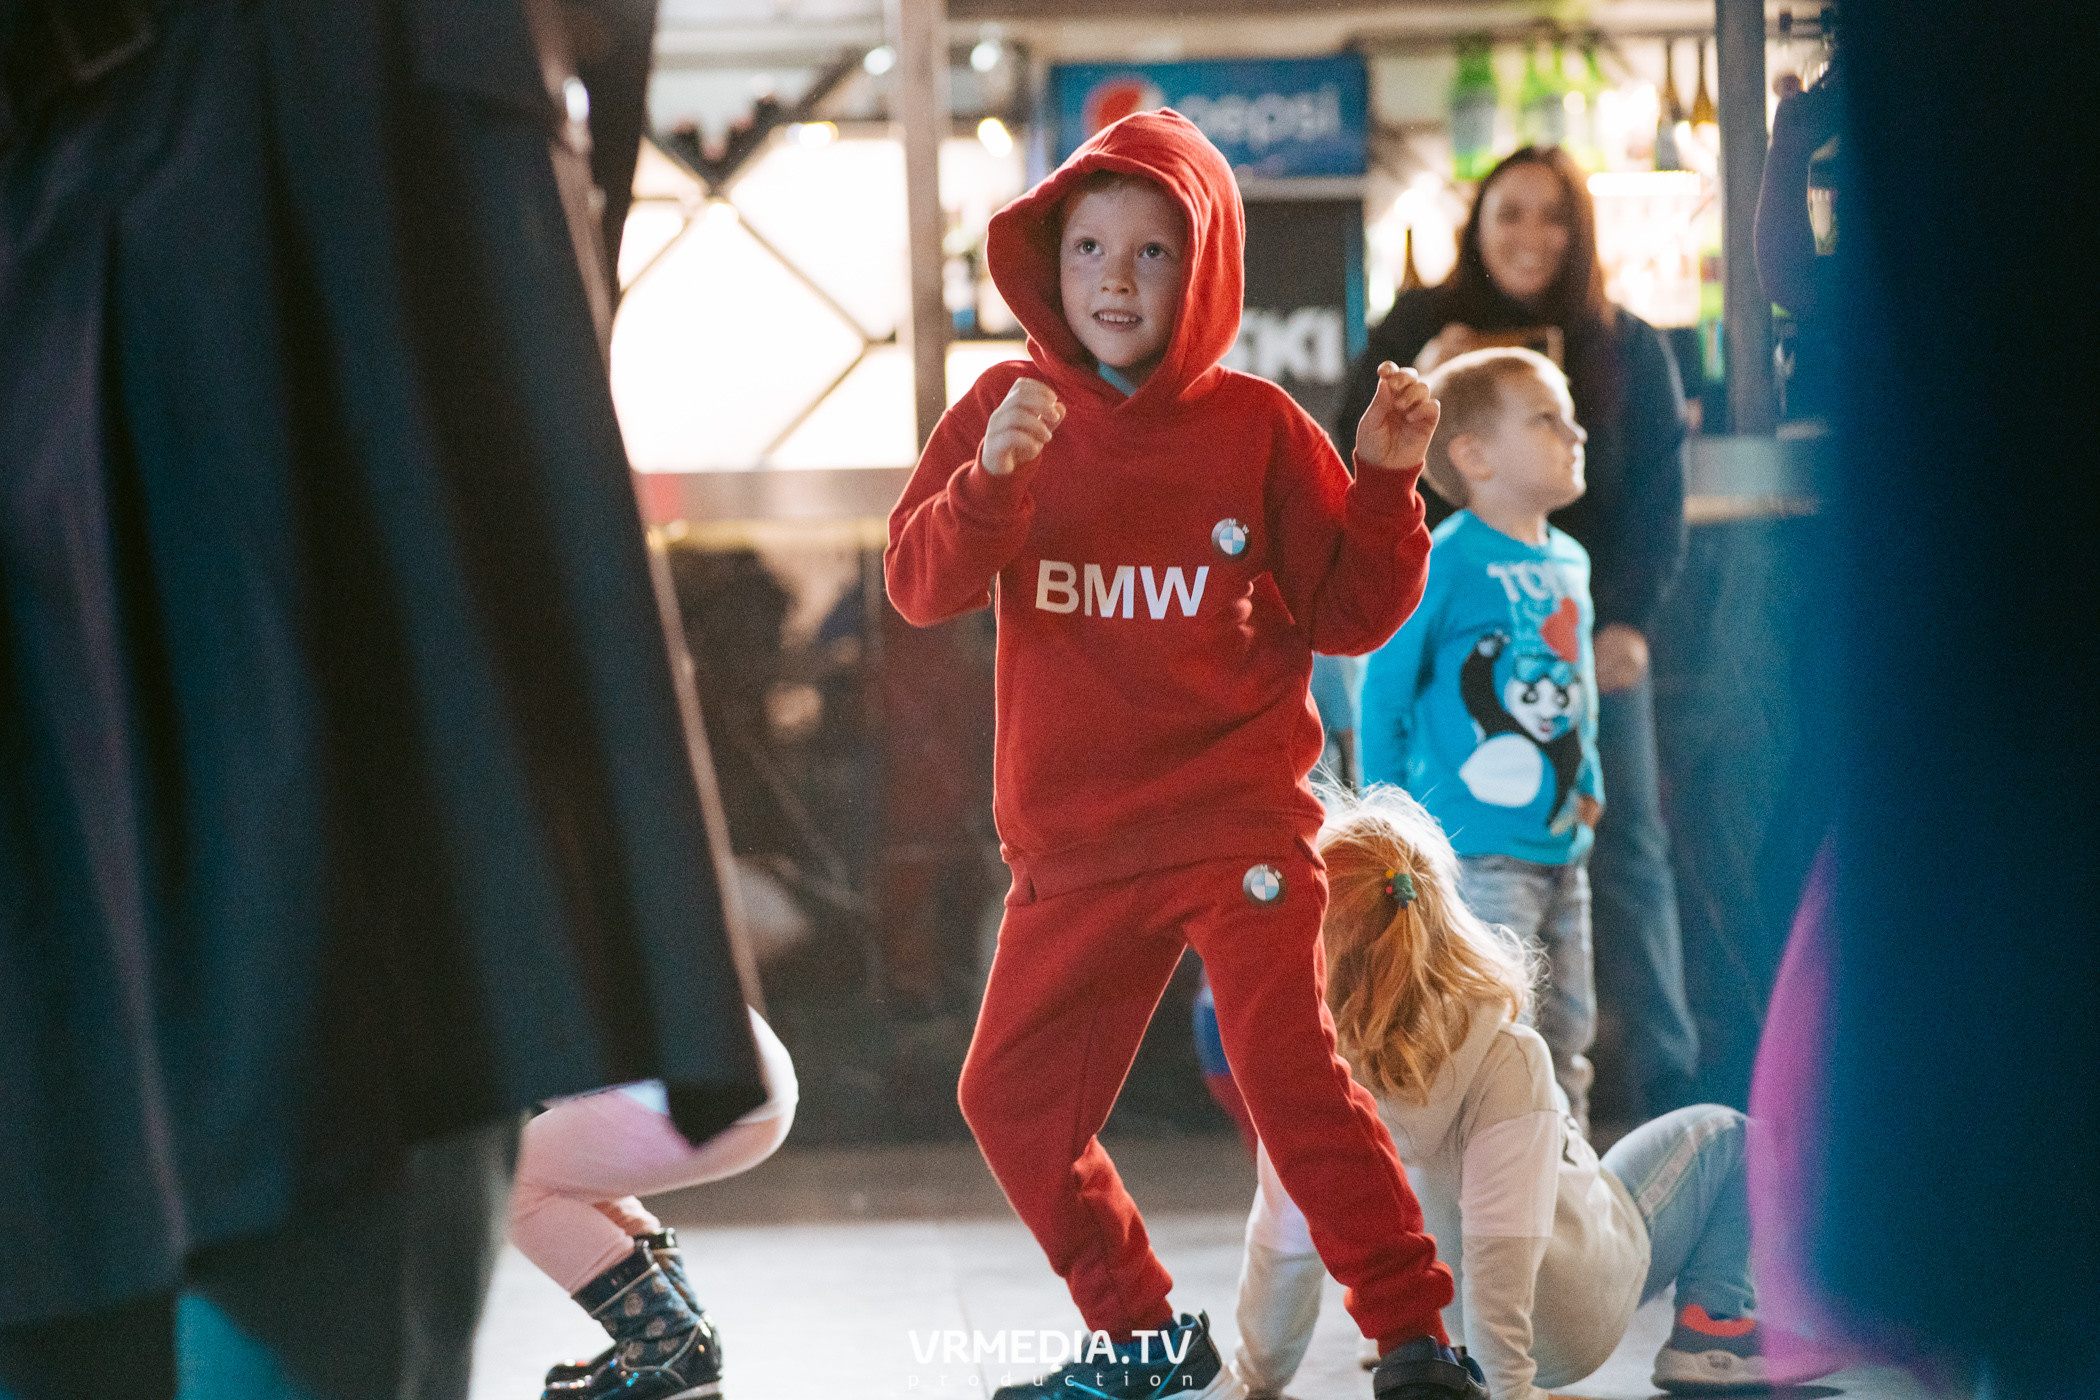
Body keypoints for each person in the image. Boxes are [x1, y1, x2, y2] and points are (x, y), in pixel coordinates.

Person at [886, 109, 1486, 1400]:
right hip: (1074, 845)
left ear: (1206, 270)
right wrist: (987, 486)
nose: (1114, 275)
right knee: (1009, 1098)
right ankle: (1141, 1334)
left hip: (1235, 826)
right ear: (1046, 260)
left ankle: (1414, 1336)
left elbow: (1347, 612)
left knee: (1287, 1076)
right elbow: (920, 586)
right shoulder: (1005, 406)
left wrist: (1386, 485)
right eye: (1090, 245)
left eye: (1155, 252)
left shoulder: (1258, 426)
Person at [1234, 786, 1835, 1399]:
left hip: (1432, 1336)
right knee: (1724, 1135)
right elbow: (1503, 1252)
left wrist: (1254, 1382)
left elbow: (1283, 1251)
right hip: (1566, 1322)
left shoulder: (1308, 1079)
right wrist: (1514, 1390)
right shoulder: (1506, 1054)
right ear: (1441, 911)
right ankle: (1716, 1326)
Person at [1337, 147, 1696, 1123]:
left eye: (1551, 218)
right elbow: (1346, 456)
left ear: (1578, 235)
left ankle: (1656, 1071)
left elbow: (1658, 498)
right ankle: (1448, 1077)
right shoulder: (1415, 328)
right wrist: (1431, 372)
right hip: (1457, 649)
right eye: (1509, 215)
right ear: (1476, 225)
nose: (1530, 236)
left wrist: (1626, 622)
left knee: (1623, 847)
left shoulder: (1623, 346)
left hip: (1584, 643)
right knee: (1459, 860)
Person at [1359, 347, 1603, 1134]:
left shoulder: (1571, 560)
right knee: (1501, 1030)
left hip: (1564, 849)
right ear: (1473, 455)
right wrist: (1388, 827)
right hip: (1477, 850)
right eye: (1546, 417)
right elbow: (1385, 695)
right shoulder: (1444, 561)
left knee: (1570, 1025)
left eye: (1569, 414)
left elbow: (1576, 687)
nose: (1577, 431)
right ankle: (1498, 1192)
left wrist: (1590, 780)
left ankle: (1566, 1196)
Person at [512, 1009, 798, 1400]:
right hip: (749, 1079)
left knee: (513, 1177)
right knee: (556, 1172)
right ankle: (674, 1336)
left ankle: (664, 1340)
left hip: (703, 1092)